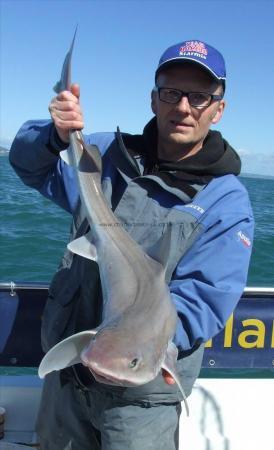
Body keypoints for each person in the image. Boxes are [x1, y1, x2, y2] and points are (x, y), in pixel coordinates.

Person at [9, 40, 254, 450]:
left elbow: (204, 300)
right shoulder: (103, 154)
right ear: (154, 99)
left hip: (140, 410)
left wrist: (142, 344)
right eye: (171, 93)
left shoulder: (226, 201)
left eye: (199, 96)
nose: (183, 107)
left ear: (218, 108)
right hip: (68, 382)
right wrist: (53, 137)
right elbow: (30, 167)